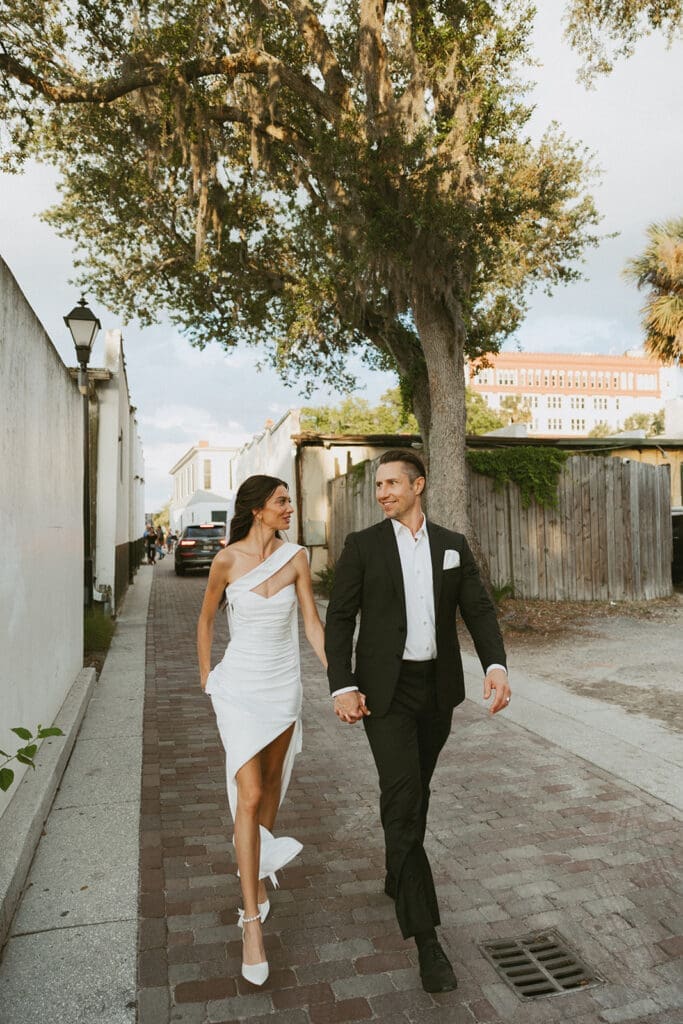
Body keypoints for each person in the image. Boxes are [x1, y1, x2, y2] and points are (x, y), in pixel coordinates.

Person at [324, 450, 511, 994]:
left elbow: (477, 608)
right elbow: (340, 618)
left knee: (417, 790)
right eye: (378, 485)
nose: (382, 493)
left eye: (391, 483)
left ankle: (396, 867)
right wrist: (342, 684)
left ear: (418, 485)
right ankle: (427, 940)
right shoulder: (362, 546)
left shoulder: (451, 544)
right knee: (403, 798)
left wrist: (495, 665)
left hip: (438, 691)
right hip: (383, 693)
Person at [197, 475, 326, 986]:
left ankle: (255, 873)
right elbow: (206, 617)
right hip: (240, 690)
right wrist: (207, 674)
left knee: (270, 790)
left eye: (289, 500)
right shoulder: (226, 561)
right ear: (256, 510)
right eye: (281, 501)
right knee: (248, 794)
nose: (290, 507)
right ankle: (250, 923)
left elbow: (313, 624)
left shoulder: (297, 557)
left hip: (283, 689)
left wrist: (339, 678)